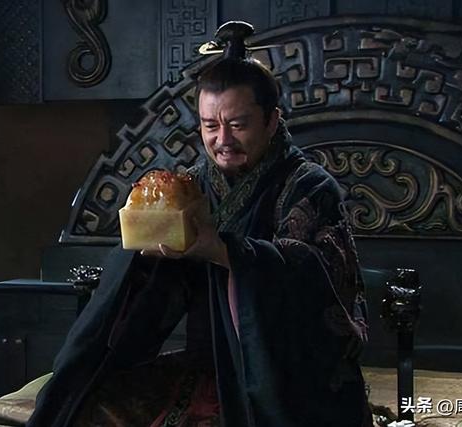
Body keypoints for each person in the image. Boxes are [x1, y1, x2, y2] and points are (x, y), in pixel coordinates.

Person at [27, 26, 371, 427]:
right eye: (210, 125)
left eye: (238, 125)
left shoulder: (309, 186)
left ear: (272, 121)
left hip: (286, 375)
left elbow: (316, 284)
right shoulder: (194, 185)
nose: (223, 140)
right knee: (90, 405)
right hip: (210, 361)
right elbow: (157, 293)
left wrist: (223, 251)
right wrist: (149, 254)